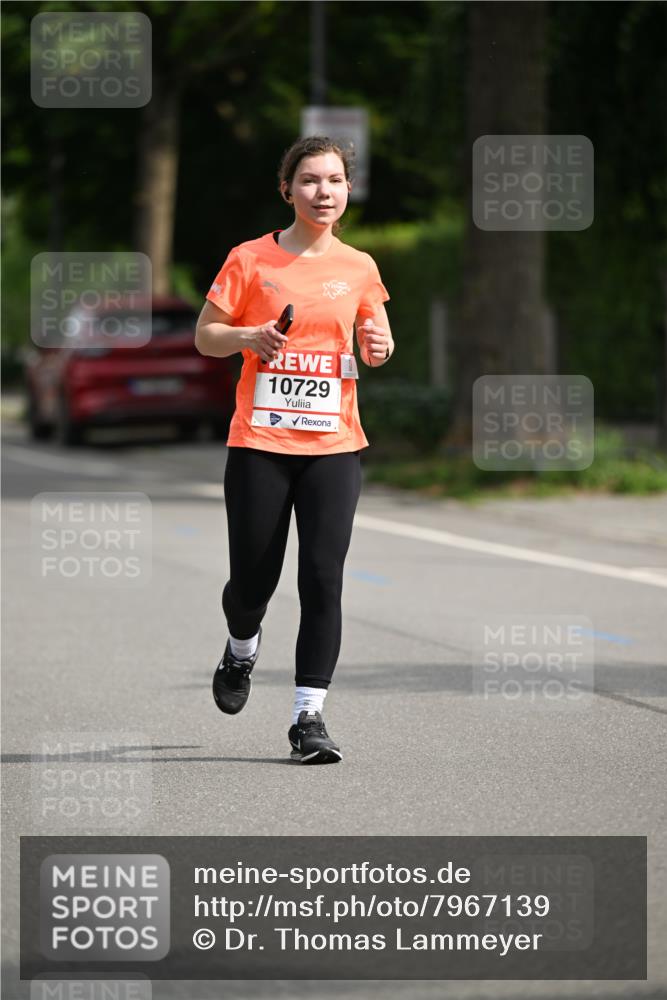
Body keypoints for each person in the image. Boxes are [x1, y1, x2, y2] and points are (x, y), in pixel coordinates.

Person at [195, 135, 393, 764]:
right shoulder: (250, 259)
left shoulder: (360, 266)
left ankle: (309, 719)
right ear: (287, 189)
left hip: (334, 444)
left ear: (348, 189)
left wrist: (380, 346)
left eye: (334, 181)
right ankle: (241, 645)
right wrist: (248, 335)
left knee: (322, 580)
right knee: (254, 580)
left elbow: (372, 336)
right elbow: (206, 337)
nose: (323, 192)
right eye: (310, 180)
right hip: (260, 441)